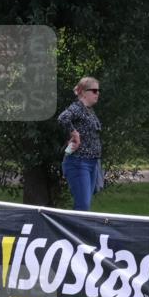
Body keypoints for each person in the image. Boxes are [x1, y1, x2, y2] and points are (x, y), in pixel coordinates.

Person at [58, 76, 103, 211]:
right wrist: (74, 133)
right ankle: (73, 232)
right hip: (78, 162)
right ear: (83, 92)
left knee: (85, 205)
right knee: (83, 205)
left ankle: (76, 231)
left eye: (98, 90)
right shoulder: (77, 107)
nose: (98, 93)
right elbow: (63, 118)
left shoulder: (89, 110)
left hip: (91, 163)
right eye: (94, 90)